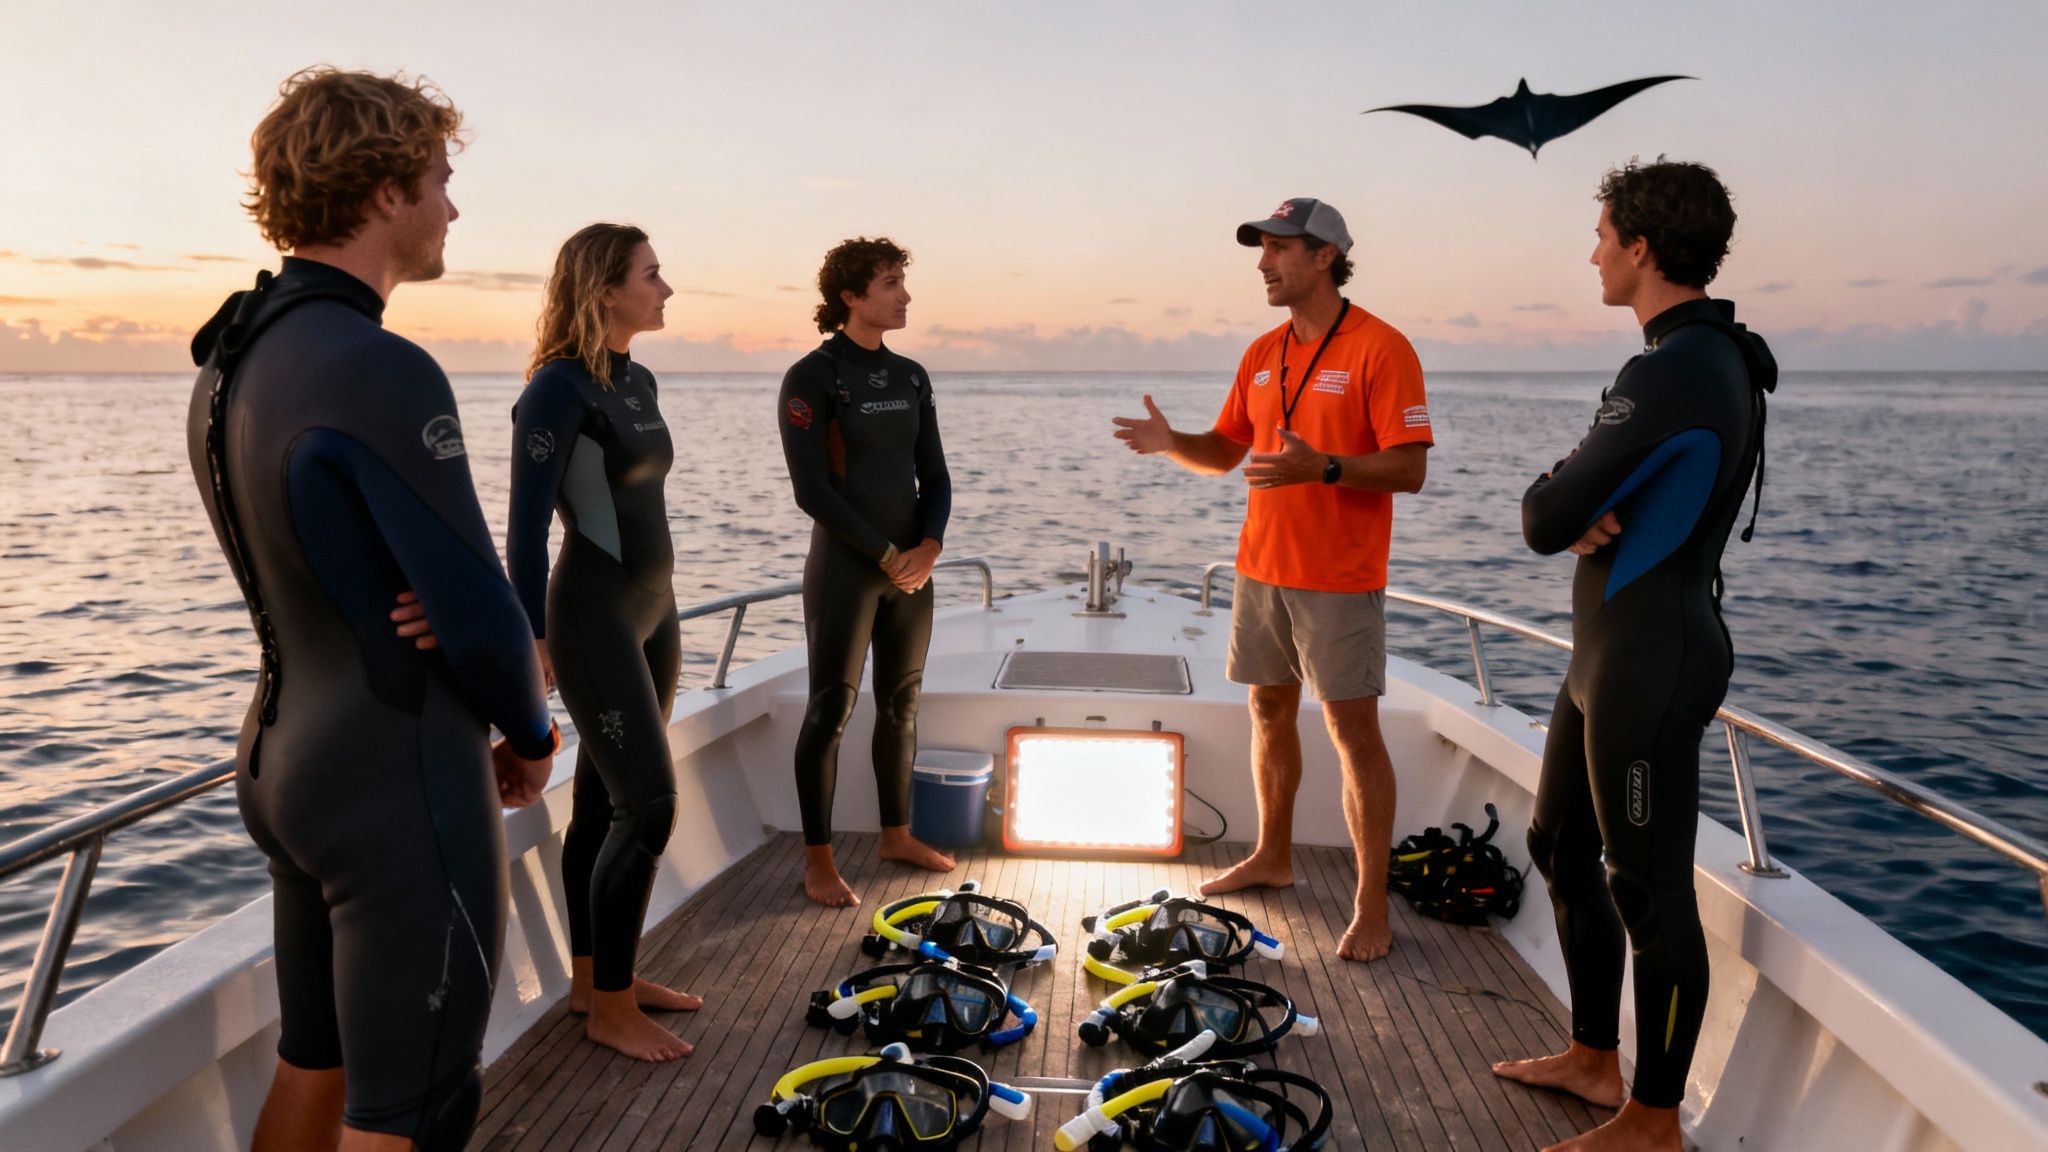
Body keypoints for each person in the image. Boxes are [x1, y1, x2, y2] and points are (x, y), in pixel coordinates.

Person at [186, 68, 556, 1152]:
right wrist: (531, 733)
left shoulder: (234, 355)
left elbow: (334, 561)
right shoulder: (377, 366)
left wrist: (436, 607)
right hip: (392, 775)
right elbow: (480, 611)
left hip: (281, 762)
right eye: (441, 180)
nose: (452, 207)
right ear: (387, 189)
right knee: (414, 1109)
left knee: (318, 1061)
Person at [1492, 159, 1774, 1152]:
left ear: (1641, 247)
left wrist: (1562, 495)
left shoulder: (1678, 369)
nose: (1592, 251)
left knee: (1645, 889)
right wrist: (1576, 499)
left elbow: (1544, 515)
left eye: (1602, 233)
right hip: (1605, 652)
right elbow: (1582, 501)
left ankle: (1652, 1117)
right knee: (1559, 846)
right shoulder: (1692, 356)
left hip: (1649, 660)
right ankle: (1591, 1057)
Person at [1113, 198, 1433, 961]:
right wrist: (1170, 444)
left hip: (1339, 576)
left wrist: (1322, 467)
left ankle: (1371, 905)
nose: (1263, 262)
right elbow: (1224, 452)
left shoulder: (1382, 349)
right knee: (1267, 714)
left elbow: (1410, 467)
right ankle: (1273, 855)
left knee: (1354, 736)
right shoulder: (1261, 352)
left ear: (1324, 255)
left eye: (1278, 249)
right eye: (1260, 248)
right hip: (1260, 568)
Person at [505, 224, 702, 1063]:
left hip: (654, 612)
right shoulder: (555, 391)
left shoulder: (639, 378)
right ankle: (610, 1010)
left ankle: (597, 983)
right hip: (590, 617)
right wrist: (536, 639)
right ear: (605, 288)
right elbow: (520, 532)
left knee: (601, 803)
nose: (666, 289)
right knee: (648, 805)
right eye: (652, 275)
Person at [777, 236, 955, 907]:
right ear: (850, 296)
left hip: (914, 569)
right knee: (831, 709)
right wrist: (886, 555)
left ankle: (896, 834)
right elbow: (812, 491)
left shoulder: (912, 376)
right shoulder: (814, 377)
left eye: (901, 282)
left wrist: (929, 547)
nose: (904, 295)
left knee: (903, 702)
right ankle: (818, 860)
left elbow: (933, 475)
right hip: (850, 568)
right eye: (889, 283)